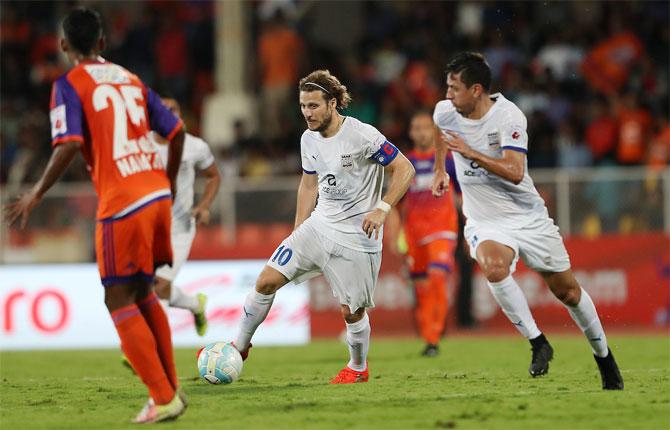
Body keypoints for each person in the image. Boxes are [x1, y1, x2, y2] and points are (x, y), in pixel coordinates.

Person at [4, 8, 188, 422]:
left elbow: (67, 144)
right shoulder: (131, 79)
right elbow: (176, 131)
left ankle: (163, 397)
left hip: (122, 200)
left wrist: (35, 193)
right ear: (103, 43)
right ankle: (169, 391)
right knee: (141, 292)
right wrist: (170, 181)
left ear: (63, 45)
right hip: (156, 191)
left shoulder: (68, 83)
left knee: (117, 297)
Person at [431, 52, 623, 390]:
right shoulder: (446, 112)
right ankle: (538, 342)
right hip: (485, 220)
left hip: (527, 217)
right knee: (493, 268)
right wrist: (439, 170)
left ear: (476, 90)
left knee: (568, 292)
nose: (448, 95)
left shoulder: (508, 117)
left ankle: (604, 357)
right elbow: (440, 131)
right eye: (447, 87)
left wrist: (470, 152)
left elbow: (516, 172)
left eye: (454, 89)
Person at [231, 69, 415, 383]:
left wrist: (383, 208)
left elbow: (405, 168)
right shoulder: (308, 139)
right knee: (265, 281)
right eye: (303, 106)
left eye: (314, 106)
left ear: (332, 104)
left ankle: (358, 368)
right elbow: (308, 185)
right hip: (318, 227)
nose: (307, 113)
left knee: (351, 312)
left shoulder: (362, 135)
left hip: (357, 237)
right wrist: (298, 229)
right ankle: (238, 348)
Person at [392, 111, 460, 357]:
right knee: (421, 287)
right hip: (413, 233)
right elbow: (396, 204)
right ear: (411, 133)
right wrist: (394, 233)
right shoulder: (403, 164)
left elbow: (465, 196)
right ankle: (429, 332)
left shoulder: (449, 161)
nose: (421, 132)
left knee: (437, 277)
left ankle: (433, 337)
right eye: (416, 128)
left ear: (434, 132)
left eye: (425, 127)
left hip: (442, 229)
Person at [153, 97, 220, 335]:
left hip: (179, 228)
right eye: (164, 110)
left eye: (175, 109)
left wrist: (203, 205)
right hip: (148, 227)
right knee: (145, 287)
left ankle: (149, 346)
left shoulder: (194, 146)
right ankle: (195, 304)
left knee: (159, 284)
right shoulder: (141, 145)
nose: (170, 114)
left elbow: (213, 176)